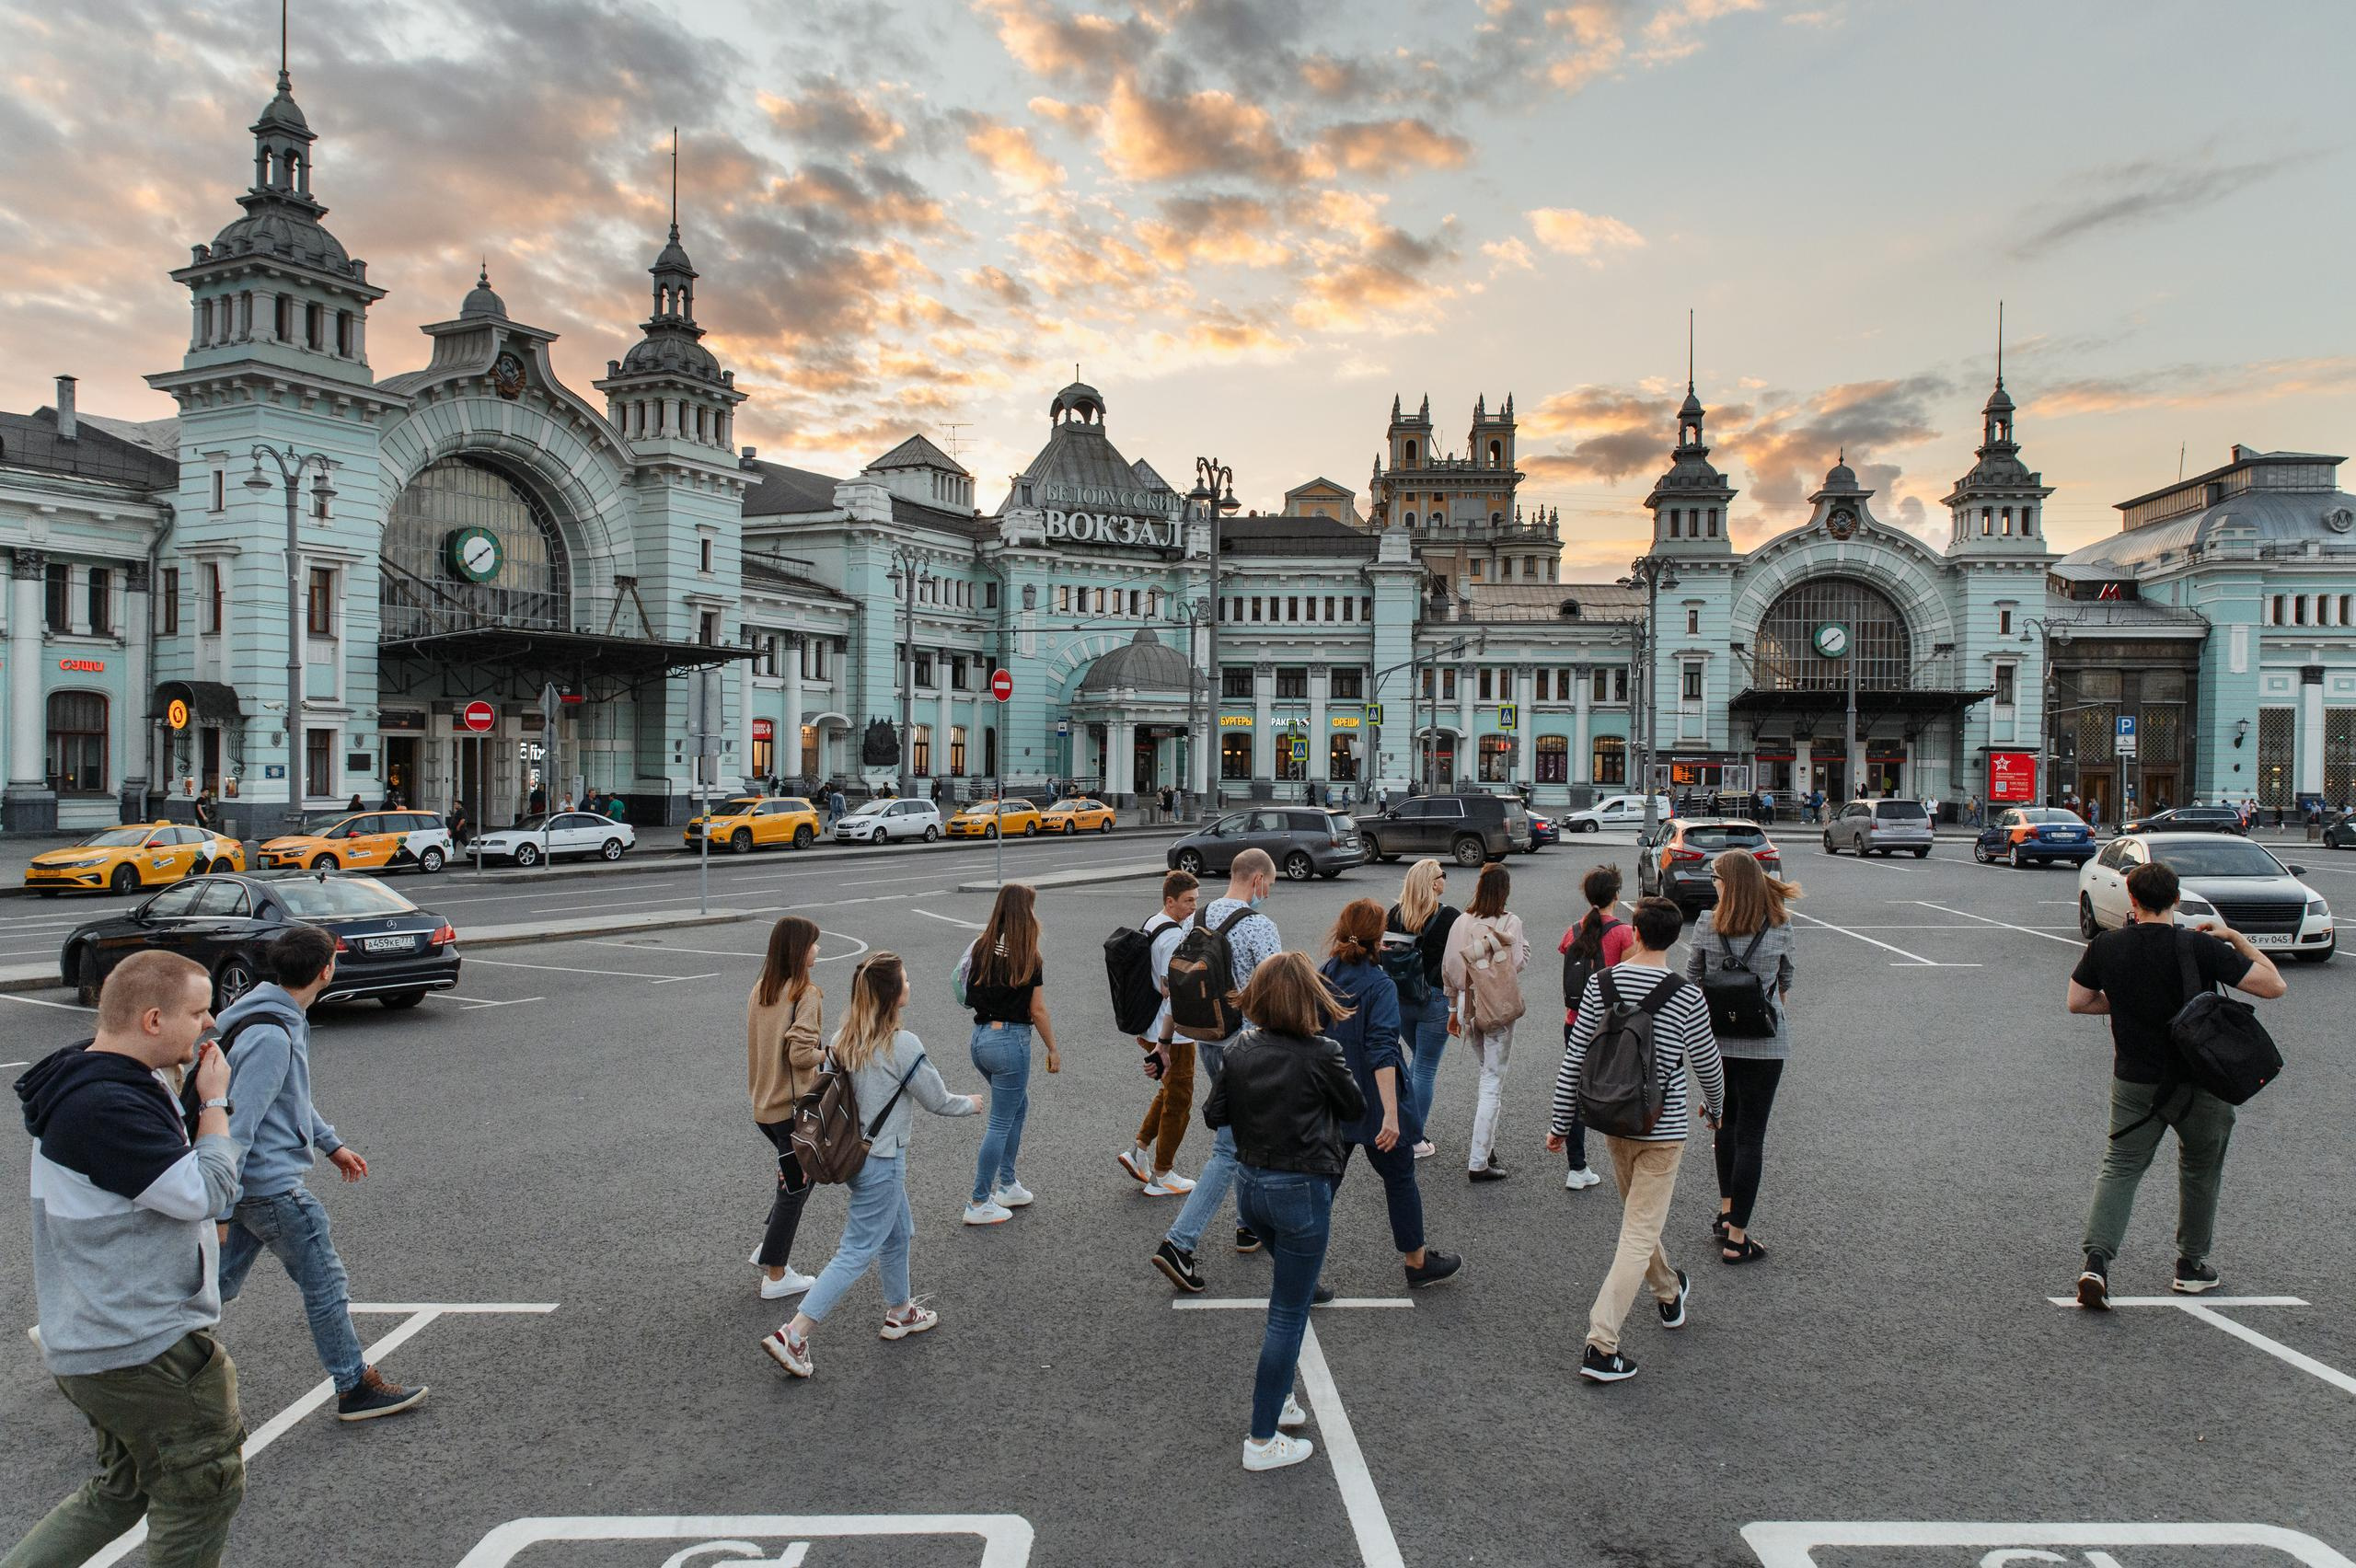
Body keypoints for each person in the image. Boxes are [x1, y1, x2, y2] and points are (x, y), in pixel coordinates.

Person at [10, 952, 248, 1566]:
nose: (210, 1023)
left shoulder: (92, 1078)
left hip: (94, 1335)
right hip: (142, 1347)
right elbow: (207, 1192)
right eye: (197, 1011)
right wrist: (216, 1103)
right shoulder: (107, 1107)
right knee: (200, 1492)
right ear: (151, 1020)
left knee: (122, 1490)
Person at [214, 925, 426, 1420]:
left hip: (248, 1186)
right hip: (269, 1188)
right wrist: (220, 1205)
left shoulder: (266, 1014)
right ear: (326, 970)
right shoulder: (273, 1034)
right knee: (326, 1285)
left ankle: (128, 1348)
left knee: (213, 1285)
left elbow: (288, 1099)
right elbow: (239, 1123)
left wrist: (331, 1144)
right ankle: (354, 1387)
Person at [2066, 859, 2284, 1308]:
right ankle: (2191, 1266)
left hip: (2134, 1081)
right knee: (2201, 1170)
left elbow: (2078, 1001)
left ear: (2132, 899)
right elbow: (2272, 986)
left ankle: (2096, 1263)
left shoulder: (2107, 946)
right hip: (2199, 1080)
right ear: (2177, 899)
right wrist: (2238, 940)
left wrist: (2125, 1005)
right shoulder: (2198, 948)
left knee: (2121, 1168)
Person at [761, 952, 982, 1378]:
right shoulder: (903, 1045)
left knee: (899, 1231)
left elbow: (824, 1095)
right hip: (883, 1160)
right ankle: (795, 1332)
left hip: (853, 1158)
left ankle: (900, 1312)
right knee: (856, 1250)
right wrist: (970, 1105)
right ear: (892, 994)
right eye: (905, 979)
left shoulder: (844, 1038)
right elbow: (936, 1100)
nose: (910, 985)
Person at [1551, 895, 1724, 1384]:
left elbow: (1576, 1057)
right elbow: (1708, 1065)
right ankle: (1601, 1345)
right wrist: (1717, 1110)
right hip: (1662, 1128)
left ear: (1638, 934)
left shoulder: (1600, 984)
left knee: (1638, 1223)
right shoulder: (1687, 995)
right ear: (1674, 939)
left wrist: (1561, 1122)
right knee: (1638, 1233)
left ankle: (1669, 1293)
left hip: (1613, 1119)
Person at [1203, 952, 1365, 1473]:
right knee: (1287, 1313)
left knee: (1289, 1300)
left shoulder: (1239, 1049)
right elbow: (1356, 1109)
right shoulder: (1323, 1053)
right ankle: (1261, 1438)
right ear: (1308, 996)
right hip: (1300, 1188)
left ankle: (1280, 1402)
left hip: (1250, 1188)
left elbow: (1214, 1115)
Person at [1152, 847, 1281, 1293]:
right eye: (1271, 884)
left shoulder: (1195, 919)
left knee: (1244, 1134)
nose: (1269, 892)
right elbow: (1275, 997)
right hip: (1246, 1047)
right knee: (1228, 1149)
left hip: (1205, 1038)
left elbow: (1176, 986)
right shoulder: (1260, 927)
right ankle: (1179, 1243)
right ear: (1258, 881)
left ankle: (1248, 1226)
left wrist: (1165, 1042)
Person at [1321, 900, 1462, 1289]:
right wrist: (1390, 1113)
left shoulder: (1326, 974)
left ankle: (1302, 1267)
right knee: (1399, 1179)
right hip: (1373, 1099)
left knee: (1324, 1184)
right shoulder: (1380, 984)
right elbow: (1382, 1050)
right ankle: (1416, 1262)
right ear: (1378, 938)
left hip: (1335, 1097)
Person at [1685, 850, 1799, 1263]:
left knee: (1724, 1126)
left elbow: (1693, 980)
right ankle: (1737, 1237)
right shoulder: (1782, 925)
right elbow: (1785, 983)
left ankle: (1726, 1209)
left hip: (1716, 1041)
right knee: (1752, 1135)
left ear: (1728, 883)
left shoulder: (1705, 924)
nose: (1712, 881)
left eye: (1715, 876)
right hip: (1766, 1043)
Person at [961, 883, 1061, 1226]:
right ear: (1025, 913)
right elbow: (1038, 1010)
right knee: (1001, 1121)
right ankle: (979, 1200)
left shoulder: (982, 945)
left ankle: (1007, 1183)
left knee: (1018, 1106)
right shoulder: (1028, 956)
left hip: (980, 1039)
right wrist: (1052, 1047)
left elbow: (965, 990)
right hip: (1009, 1042)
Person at [747, 916, 825, 1299]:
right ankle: (775, 1275)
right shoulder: (805, 993)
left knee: (797, 1178)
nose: (817, 950)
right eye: (813, 943)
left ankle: (768, 1249)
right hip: (792, 1108)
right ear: (798, 950)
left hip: (764, 1106)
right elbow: (799, 1054)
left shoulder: (762, 988)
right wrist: (830, 1054)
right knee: (795, 1188)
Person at [1441, 861, 1528, 1182]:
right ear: (1504, 891)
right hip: (1497, 1005)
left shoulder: (1462, 921)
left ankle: (1487, 1144)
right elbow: (1516, 962)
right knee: (1492, 1081)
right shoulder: (1510, 922)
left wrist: (1452, 1009)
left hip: (1467, 1004)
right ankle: (1479, 1159)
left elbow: (1449, 967)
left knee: (1485, 1072)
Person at [1120, 870, 1201, 1197]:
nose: (1194, 907)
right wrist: (1166, 1041)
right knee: (1180, 1100)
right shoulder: (1172, 939)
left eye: (1196, 899)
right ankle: (1162, 1174)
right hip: (1173, 1031)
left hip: (1153, 1024)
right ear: (1170, 901)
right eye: (1188, 901)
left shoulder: (1155, 923)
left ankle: (1138, 1150)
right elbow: (1173, 991)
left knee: (1168, 1092)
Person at [1556, 864, 1635, 1192]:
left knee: (1577, 1090)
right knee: (1622, 1090)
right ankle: (1628, 1162)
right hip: (1611, 1028)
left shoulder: (1573, 930)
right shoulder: (1623, 933)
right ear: (1616, 895)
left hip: (1574, 1023)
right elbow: (1631, 981)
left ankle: (1577, 1166)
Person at [1384, 859, 1461, 1159]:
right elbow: (1456, 961)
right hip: (1435, 1000)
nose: (1445, 879)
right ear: (1432, 883)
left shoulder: (1394, 914)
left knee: (1417, 1062)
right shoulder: (1449, 916)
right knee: (1425, 1068)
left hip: (1401, 999)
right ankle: (1413, 1137)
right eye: (1442, 875)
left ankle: (1400, 1123)